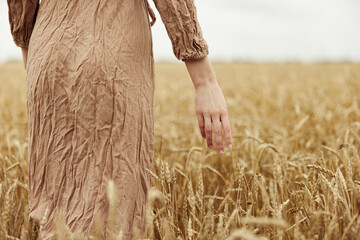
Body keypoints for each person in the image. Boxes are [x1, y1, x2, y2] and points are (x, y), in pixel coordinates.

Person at [7, 0, 232, 239]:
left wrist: (31, 56)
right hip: (113, 51)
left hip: (47, 52)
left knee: (56, 212)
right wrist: (204, 80)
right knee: (112, 213)